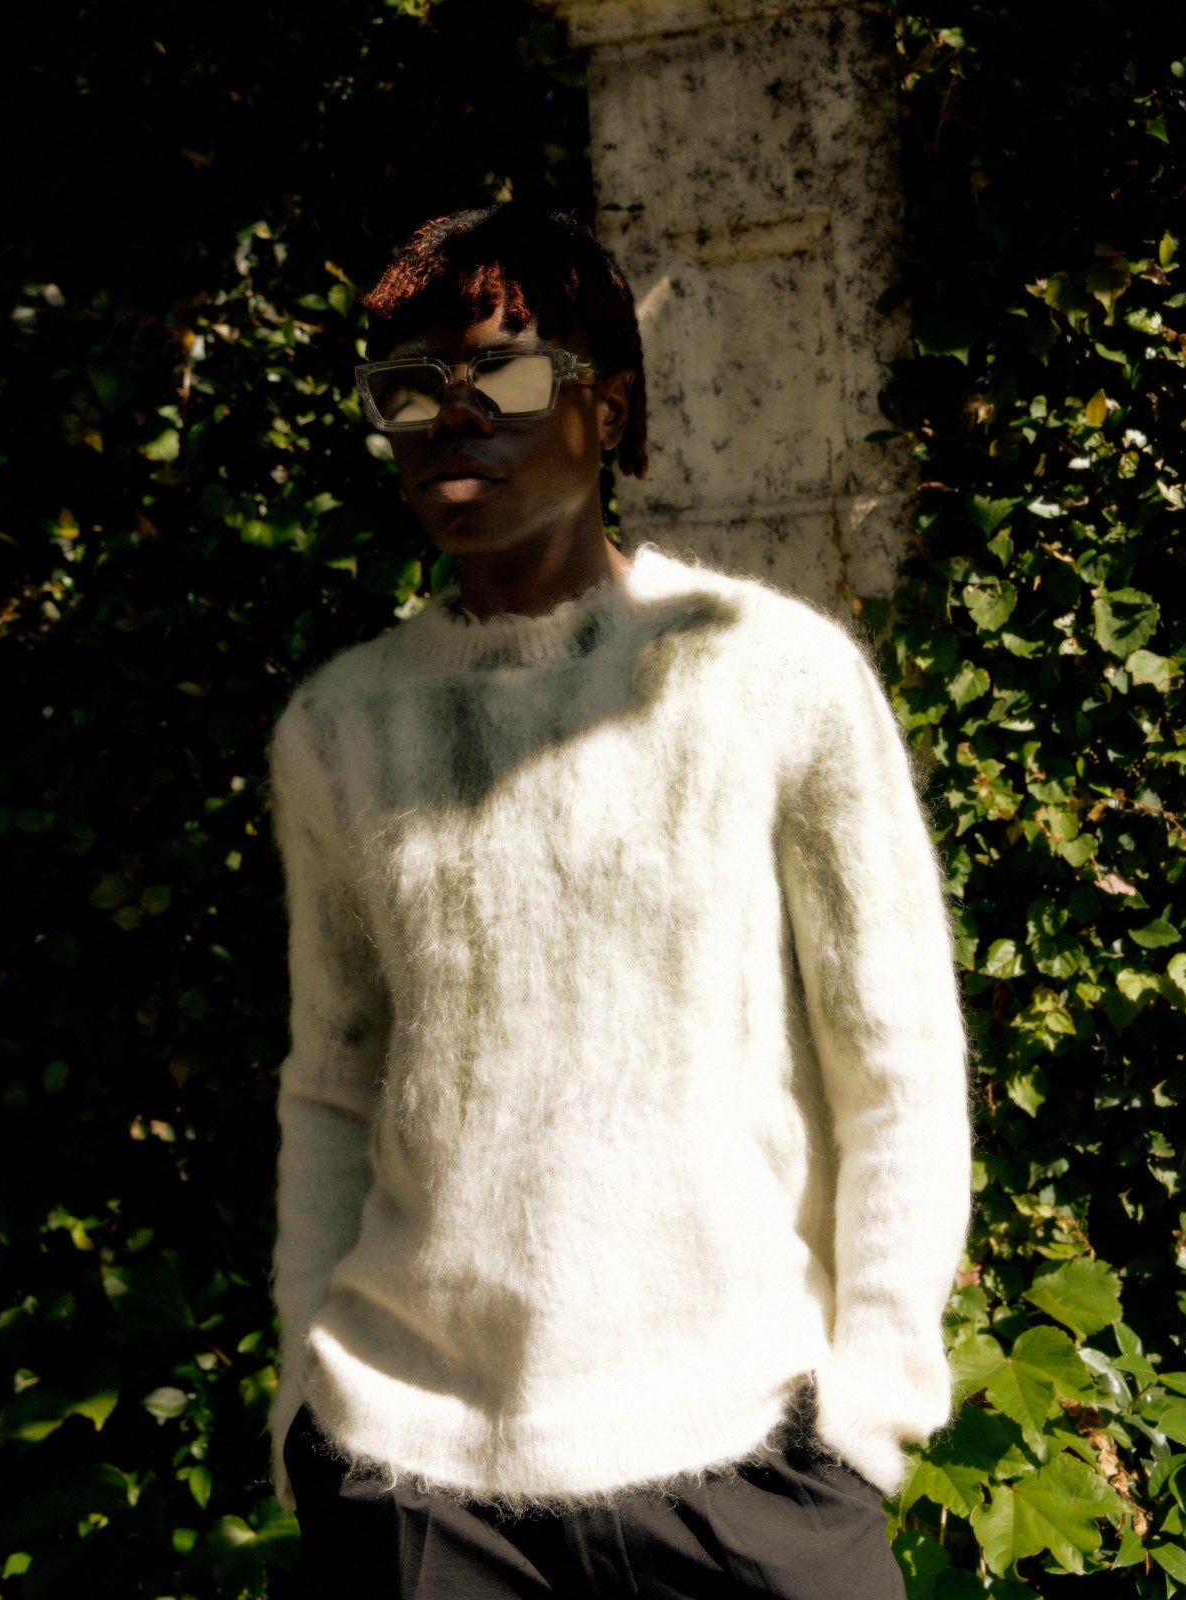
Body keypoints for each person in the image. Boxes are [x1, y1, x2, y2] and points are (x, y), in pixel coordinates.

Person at [268, 203, 970, 1598]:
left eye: (507, 374)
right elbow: (334, 1082)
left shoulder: (771, 679)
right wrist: (307, 1399)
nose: (449, 415)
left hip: (746, 1465)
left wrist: (869, 1416)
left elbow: (894, 1062)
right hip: (417, 1483)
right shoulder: (338, 729)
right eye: (407, 389)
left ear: (610, 405)